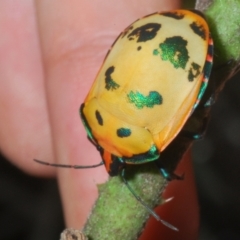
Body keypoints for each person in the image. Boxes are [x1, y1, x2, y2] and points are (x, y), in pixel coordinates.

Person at [0, 1, 198, 239]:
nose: (109, 164)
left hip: (178, 45)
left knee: (193, 121)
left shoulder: (148, 146)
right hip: (159, 32)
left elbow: (189, 105)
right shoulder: (95, 118)